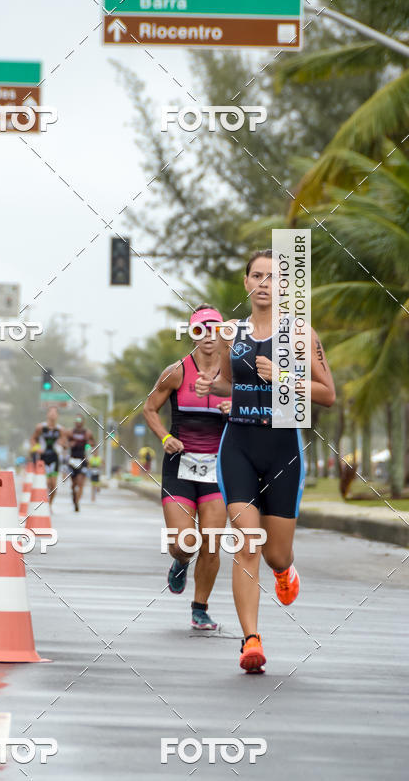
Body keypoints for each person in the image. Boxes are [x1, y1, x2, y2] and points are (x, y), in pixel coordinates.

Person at [195, 250, 336, 672]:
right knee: (247, 543)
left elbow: (327, 394)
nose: (263, 283)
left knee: (276, 554)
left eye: (273, 277)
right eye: (256, 275)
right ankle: (250, 640)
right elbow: (225, 384)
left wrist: (284, 377)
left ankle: (285, 572)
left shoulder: (300, 334)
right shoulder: (229, 333)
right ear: (245, 282)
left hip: (282, 450)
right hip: (237, 444)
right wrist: (210, 385)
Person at [143, 306, 232, 631]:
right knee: (184, 543)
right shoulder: (177, 371)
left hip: (218, 472)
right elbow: (150, 408)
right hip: (179, 467)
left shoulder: (235, 372)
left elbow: (256, 406)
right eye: (201, 330)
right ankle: (180, 562)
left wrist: (234, 407)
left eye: (214, 329)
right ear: (193, 333)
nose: (208, 336)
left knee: (211, 543)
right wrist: (165, 436)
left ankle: (200, 608)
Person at [30, 407, 64, 506]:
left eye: (55, 413)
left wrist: (61, 444)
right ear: (47, 415)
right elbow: (33, 439)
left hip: (54, 458)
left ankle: (49, 506)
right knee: (46, 482)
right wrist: (37, 448)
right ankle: (43, 503)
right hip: (43, 458)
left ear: (57, 416)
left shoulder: (60, 429)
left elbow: (64, 441)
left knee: (53, 485)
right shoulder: (40, 427)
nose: (53, 415)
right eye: (51, 413)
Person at [66, 416, 95, 512]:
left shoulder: (87, 433)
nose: (78, 423)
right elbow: (64, 443)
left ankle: (77, 502)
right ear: (75, 422)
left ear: (83, 422)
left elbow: (93, 443)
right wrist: (69, 444)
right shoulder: (70, 432)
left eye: (80, 421)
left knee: (81, 483)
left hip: (83, 459)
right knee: (74, 484)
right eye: (77, 421)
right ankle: (74, 498)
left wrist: (90, 444)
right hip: (73, 460)